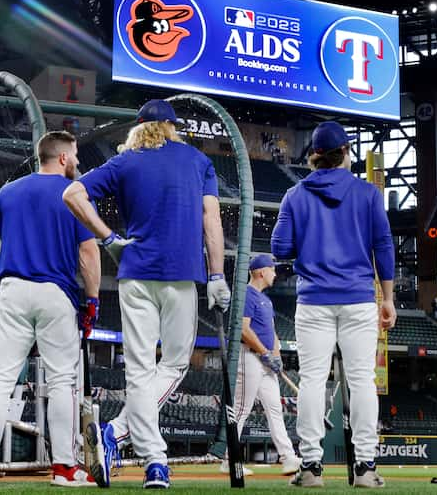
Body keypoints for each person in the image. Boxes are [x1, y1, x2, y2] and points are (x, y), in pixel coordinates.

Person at [63, 99, 230, 489]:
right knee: (172, 366)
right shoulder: (196, 161)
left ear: (138, 127)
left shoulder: (124, 162)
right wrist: (218, 273)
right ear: (172, 128)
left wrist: (108, 239)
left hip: (134, 271)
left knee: (138, 370)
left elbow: (72, 194)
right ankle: (128, 442)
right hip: (180, 275)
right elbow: (212, 219)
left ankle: (146, 454)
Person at [0, 131, 100, 487]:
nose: (76, 161)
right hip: (56, 293)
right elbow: (88, 254)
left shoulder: (9, 191)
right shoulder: (75, 194)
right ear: (61, 158)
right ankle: (63, 468)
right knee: (62, 382)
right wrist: (92, 301)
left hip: (12, 289)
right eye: (73, 155)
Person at [271, 121, 396, 488]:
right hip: (358, 299)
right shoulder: (368, 193)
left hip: (313, 300)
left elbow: (280, 249)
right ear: (346, 153)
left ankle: (310, 467)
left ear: (314, 155)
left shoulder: (295, 195)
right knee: (361, 382)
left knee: (312, 380)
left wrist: (309, 240)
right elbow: (384, 247)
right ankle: (365, 468)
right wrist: (387, 298)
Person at [219, 254, 302, 476]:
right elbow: (244, 329)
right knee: (240, 409)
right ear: (261, 272)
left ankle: (289, 458)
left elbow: (272, 332)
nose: (275, 274)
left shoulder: (266, 300)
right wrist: (264, 353)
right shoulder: (245, 294)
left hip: (266, 362)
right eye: (272, 270)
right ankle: (229, 459)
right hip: (249, 357)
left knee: (275, 409)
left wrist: (276, 357)